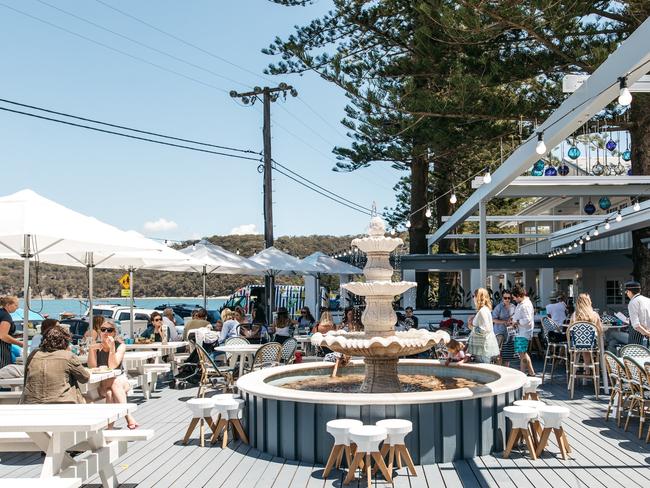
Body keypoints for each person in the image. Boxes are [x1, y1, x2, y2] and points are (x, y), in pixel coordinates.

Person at [87, 320, 138, 429]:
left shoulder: (121, 346)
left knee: (115, 383)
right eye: (103, 330)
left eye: (109, 330)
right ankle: (126, 418)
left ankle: (114, 425)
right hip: (104, 383)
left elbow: (113, 365)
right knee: (110, 393)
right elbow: (92, 367)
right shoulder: (96, 347)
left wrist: (112, 348)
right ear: (100, 332)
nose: (106, 332)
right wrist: (91, 350)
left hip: (120, 379)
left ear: (114, 333)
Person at [21, 326, 90, 404]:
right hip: (62, 403)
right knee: (87, 399)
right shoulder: (67, 356)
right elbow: (85, 378)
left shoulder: (33, 355)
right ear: (65, 341)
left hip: (32, 404)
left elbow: (26, 381)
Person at [467, 288, 500, 363]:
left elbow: (484, 330)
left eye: (474, 296)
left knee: (485, 369)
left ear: (478, 297)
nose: (473, 298)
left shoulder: (483, 311)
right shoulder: (484, 310)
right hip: (482, 347)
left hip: (483, 348)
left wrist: (471, 326)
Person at [569, 293, 603, 366]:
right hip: (591, 344)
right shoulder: (594, 314)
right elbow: (600, 330)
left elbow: (569, 329)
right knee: (588, 345)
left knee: (581, 347)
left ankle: (574, 371)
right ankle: (589, 370)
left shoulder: (574, 315)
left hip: (576, 343)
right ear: (589, 302)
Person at [510, 285, 536, 376]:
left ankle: (522, 374)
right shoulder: (522, 304)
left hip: (524, 332)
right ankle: (531, 372)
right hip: (521, 332)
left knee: (522, 354)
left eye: (514, 297)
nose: (514, 299)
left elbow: (527, 320)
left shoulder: (525, 305)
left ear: (519, 295)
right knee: (523, 353)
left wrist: (516, 322)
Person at [492, 291, 516, 367]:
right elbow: (493, 319)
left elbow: (515, 317)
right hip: (499, 332)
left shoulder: (513, 307)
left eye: (509, 298)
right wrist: (504, 322)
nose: (507, 299)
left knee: (508, 353)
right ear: (502, 298)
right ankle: (499, 370)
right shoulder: (499, 307)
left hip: (510, 333)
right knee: (499, 352)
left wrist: (512, 321)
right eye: (505, 298)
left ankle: (507, 369)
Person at [0, 296, 22, 369]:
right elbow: (3, 336)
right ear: (8, 305)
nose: (17, 307)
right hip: (2, 351)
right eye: (15, 305)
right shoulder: (6, 316)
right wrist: (20, 343)